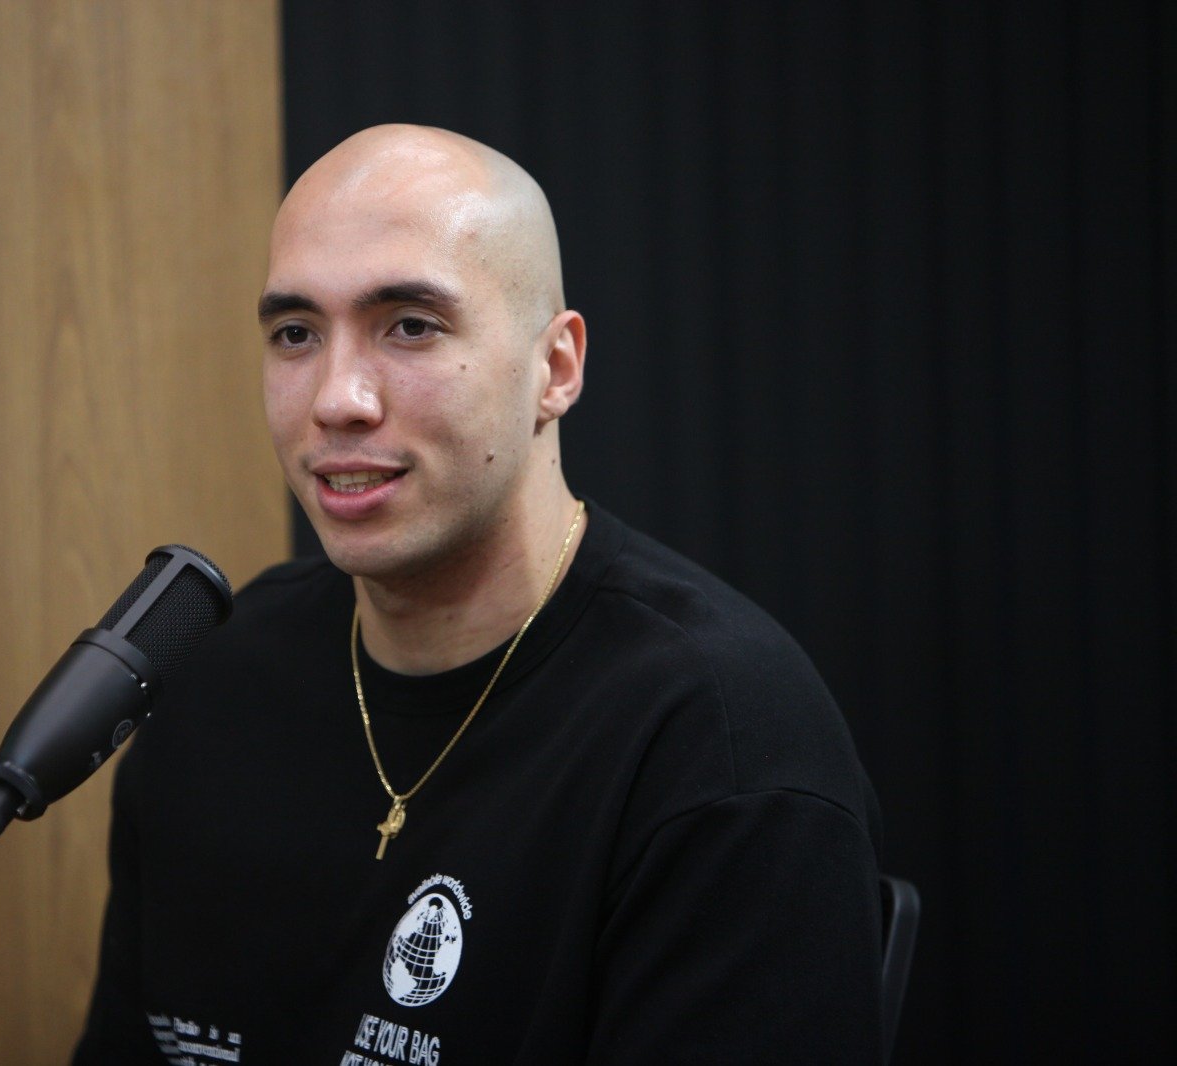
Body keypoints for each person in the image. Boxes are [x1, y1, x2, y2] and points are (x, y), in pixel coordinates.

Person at [74, 124, 883, 1064]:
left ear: (556, 368)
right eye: (296, 334)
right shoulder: (215, 674)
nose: (336, 399)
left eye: (410, 326)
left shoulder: (721, 743)